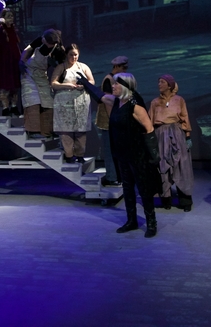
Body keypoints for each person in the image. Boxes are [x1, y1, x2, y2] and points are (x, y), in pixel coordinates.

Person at [78, 72, 162, 238]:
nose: (113, 86)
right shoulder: (116, 101)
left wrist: (154, 156)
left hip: (137, 154)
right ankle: (131, 221)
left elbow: (149, 129)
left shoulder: (134, 105)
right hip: (122, 154)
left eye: (116, 84)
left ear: (125, 86)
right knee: (127, 188)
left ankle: (151, 223)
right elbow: (100, 96)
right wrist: (85, 83)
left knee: (143, 189)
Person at [148, 74, 194, 212]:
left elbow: (185, 118)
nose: (159, 84)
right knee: (163, 166)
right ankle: (166, 199)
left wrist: (187, 137)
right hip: (161, 135)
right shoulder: (155, 102)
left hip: (177, 134)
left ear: (169, 85)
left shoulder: (179, 100)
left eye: (162, 82)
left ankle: (185, 200)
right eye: (159, 82)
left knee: (181, 165)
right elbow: (150, 122)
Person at [51, 44, 95, 163]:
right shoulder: (61, 67)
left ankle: (80, 155)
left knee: (81, 131)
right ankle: (69, 155)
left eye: (76, 55)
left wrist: (84, 85)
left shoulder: (83, 67)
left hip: (81, 102)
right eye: (71, 54)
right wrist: (67, 85)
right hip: (64, 104)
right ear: (66, 54)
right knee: (66, 131)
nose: (74, 57)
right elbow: (53, 83)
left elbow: (92, 81)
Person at [20, 29, 64, 139]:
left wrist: (56, 71)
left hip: (41, 75)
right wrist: (22, 61)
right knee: (32, 99)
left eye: (45, 40)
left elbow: (61, 67)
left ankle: (48, 131)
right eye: (43, 38)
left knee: (48, 101)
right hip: (28, 72)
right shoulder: (40, 40)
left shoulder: (58, 50)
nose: (43, 40)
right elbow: (27, 50)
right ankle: (33, 131)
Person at [95, 55, 128, 186]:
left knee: (116, 150)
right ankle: (111, 177)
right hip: (108, 122)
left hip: (113, 121)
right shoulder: (109, 80)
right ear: (116, 66)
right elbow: (109, 103)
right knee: (109, 150)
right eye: (123, 68)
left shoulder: (116, 79)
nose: (125, 71)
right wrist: (114, 120)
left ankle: (117, 176)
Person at [0, 8, 21, 116]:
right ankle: (5, 107)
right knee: (5, 84)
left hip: (14, 60)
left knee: (15, 84)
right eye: (8, 16)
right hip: (4, 61)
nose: (11, 18)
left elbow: (16, 44)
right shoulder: (0, 29)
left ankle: (14, 106)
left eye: (12, 16)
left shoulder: (13, 29)